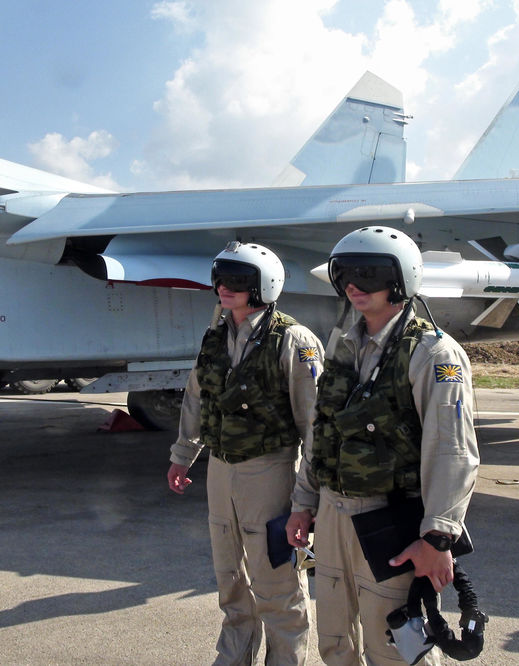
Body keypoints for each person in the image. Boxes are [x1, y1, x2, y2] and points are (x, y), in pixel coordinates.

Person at [286, 226, 480, 665]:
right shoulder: (344, 345)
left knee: (394, 646)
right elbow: (322, 431)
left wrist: (438, 537)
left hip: (392, 521)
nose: (354, 286)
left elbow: (453, 451)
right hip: (333, 516)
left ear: (401, 279)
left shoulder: (433, 353)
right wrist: (303, 502)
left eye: (368, 274)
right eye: (344, 275)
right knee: (335, 641)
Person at [167, 241, 324, 666]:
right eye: (220, 277)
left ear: (263, 285)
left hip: (270, 470)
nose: (223, 287)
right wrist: (184, 454)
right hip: (221, 468)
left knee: (276, 580)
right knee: (229, 577)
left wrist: (307, 497)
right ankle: (232, 656)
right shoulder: (216, 334)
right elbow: (196, 397)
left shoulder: (294, 340)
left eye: (236, 280)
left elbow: (315, 424)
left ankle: (285, 659)